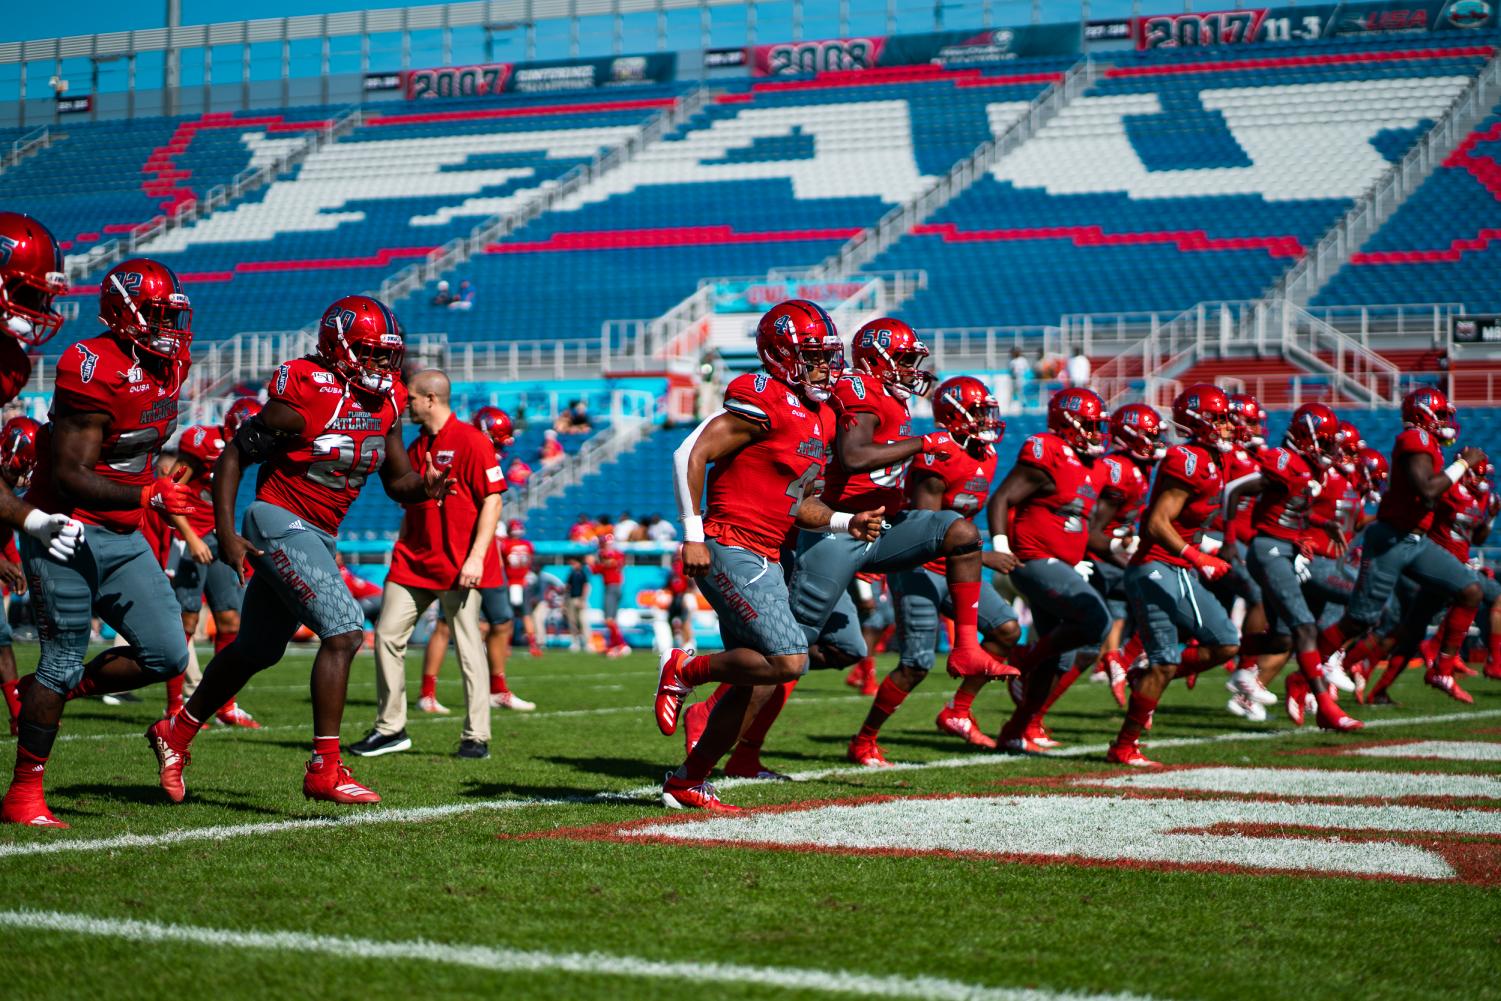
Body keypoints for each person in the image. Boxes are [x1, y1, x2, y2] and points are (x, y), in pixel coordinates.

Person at [146, 294, 449, 806]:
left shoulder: (389, 401)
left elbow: (398, 480)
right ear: (338, 348)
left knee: (257, 649)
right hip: (276, 519)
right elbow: (234, 455)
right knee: (346, 632)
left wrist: (427, 486)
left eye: (386, 355)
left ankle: (175, 732)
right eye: (369, 353)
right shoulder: (310, 392)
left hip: (319, 532)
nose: (379, 365)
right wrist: (226, 533)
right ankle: (324, 769)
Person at [655, 300, 881, 810]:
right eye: (814, 356)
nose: (826, 367)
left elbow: (800, 504)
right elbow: (689, 453)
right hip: (730, 543)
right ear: (780, 356)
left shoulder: (820, 415)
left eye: (828, 355)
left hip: (769, 553)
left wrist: (848, 521)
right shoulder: (763, 397)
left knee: (746, 679)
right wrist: (692, 533)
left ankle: (688, 780)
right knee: (789, 659)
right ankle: (684, 670)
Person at [5, 258, 197, 828]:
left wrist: (148, 490)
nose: (170, 327)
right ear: (123, 314)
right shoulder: (91, 365)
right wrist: (149, 497)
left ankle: (48, 691)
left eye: (173, 314)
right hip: (66, 528)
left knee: (167, 653)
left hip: (122, 531)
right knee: (60, 657)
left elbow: (137, 448)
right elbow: (70, 473)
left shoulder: (172, 362)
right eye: (157, 314)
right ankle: (23, 794)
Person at [349, 369, 505, 759]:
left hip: (457, 565)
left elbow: (494, 500)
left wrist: (475, 557)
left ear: (431, 399)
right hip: (413, 563)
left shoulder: (472, 441)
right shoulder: (416, 446)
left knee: (469, 648)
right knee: (386, 637)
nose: (406, 404)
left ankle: (476, 736)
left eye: (412, 399)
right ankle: (390, 728)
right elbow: (411, 503)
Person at [870, 376, 1020, 753]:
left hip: (957, 571)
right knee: (916, 665)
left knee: (1007, 630)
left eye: (989, 413)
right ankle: (864, 739)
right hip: (921, 568)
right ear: (953, 416)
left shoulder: (987, 455)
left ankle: (959, 711)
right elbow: (925, 532)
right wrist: (983, 555)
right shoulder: (938, 457)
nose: (987, 420)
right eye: (979, 413)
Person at [1314, 388, 1487, 699]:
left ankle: (1441, 670)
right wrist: (1463, 465)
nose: (1447, 421)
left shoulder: (1429, 443)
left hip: (1415, 540)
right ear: (1423, 414)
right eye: (1442, 415)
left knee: (1469, 590)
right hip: (1392, 538)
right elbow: (1428, 489)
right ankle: (1308, 672)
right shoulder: (1415, 439)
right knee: (1361, 619)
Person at [1108, 385, 1242, 767]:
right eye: (1219, 418)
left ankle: (1142, 677)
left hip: (1177, 567)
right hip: (1156, 567)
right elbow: (1155, 522)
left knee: (1226, 644)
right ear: (1198, 422)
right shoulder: (1189, 459)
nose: (1228, 425)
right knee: (1167, 660)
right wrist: (1197, 556)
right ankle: (1124, 745)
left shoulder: (1214, 459)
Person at [986, 388, 1113, 754]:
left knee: (1061, 657)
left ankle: (1015, 730)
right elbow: (1002, 497)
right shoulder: (1049, 451)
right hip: (1033, 559)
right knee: (1096, 620)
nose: (1095, 433)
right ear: (1067, 424)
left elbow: (1086, 530)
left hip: (1064, 563)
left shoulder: (1094, 467)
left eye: (1098, 426)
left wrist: (1121, 548)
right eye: (1089, 426)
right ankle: (1028, 657)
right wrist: (1000, 546)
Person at [1230, 403, 1361, 732]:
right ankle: (1325, 707)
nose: (1332, 448)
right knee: (1305, 627)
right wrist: (1231, 541)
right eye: (1327, 440)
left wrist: (1320, 523)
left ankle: (1227, 655)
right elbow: (1234, 490)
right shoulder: (1283, 460)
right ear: (1307, 437)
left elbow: (1292, 507)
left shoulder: (1308, 467)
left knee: (1283, 639)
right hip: (1268, 548)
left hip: (1285, 549)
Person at [161, 421, 258, 728]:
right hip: (192, 535)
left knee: (230, 618)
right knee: (187, 620)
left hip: (218, 535)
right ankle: (174, 706)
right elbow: (168, 490)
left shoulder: (243, 450)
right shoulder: (202, 442)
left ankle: (225, 706)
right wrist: (190, 537)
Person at [592, 533, 630, 657]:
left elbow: (597, 569)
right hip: (616, 587)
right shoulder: (618, 554)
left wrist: (596, 563)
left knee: (609, 619)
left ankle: (620, 644)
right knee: (612, 620)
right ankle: (615, 645)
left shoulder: (606, 554)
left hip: (612, 586)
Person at [565, 555, 591, 651]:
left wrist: (583, 599)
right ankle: (575, 642)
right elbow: (568, 586)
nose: (572, 565)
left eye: (573, 563)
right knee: (572, 622)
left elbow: (586, 586)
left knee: (583, 621)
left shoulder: (583, 572)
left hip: (580, 599)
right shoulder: (571, 573)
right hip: (571, 599)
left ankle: (587, 642)